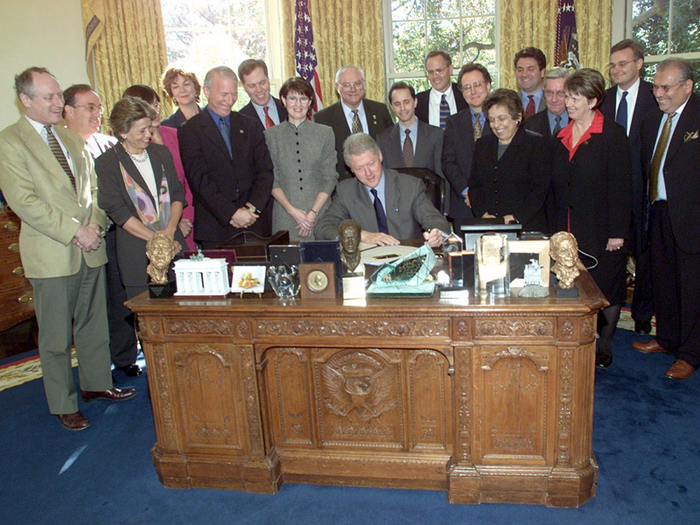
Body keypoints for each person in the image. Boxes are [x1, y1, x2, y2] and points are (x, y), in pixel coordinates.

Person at [0, 67, 135, 431]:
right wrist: (76, 231)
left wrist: (95, 226)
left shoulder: (69, 138)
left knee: (94, 325)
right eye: (49, 97)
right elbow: (24, 202)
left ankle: (96, 383)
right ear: (25, 100)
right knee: (56, 336)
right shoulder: (9, 141)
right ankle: (63, 403)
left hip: (90, 247)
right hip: (53, 252)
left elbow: (94, 190)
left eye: (59, 95)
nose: (58, 102)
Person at [548, 68, 632, 369]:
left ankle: (604, 344)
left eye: (575, 98)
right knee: (573, 287)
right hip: (567, 228)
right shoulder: (561, 136)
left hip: (602, 228)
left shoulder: (612, 135)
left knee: (605, 288)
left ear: (593, 101)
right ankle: (578, 341)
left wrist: (617, 232)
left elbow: (622, 187)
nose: (567, 103)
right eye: (567, 97)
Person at [63, 84, 141, 377]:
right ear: (68, 111)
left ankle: (124, 357)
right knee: (92, 306)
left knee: (119, 297)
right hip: (77, 237)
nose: (98, 113)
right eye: (90, 107)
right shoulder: (60, 146)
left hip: (114, 231)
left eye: (99, 107)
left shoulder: (109, 145)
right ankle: (96, 366)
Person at [632, 59, 700, 380]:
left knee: (691, 287)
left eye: (665, 87)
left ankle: (690, 353)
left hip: (691, 217)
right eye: (655, 86)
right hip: (658, 213)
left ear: (687, 86)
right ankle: (668, 338)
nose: (658, 93)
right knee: (663, 281)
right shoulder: (651, 120)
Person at [95, 96, 187, 299]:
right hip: (137, 252)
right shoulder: (107, 163)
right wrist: (160, 240)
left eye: (150, 128)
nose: (148, 135)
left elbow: (177, 194)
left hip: (175, 243)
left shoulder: (161, 153)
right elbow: (118, 212)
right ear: (123, 132)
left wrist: (170, 232)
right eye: (141, 131)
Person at [600, 39, 659, 335]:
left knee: (646, 256)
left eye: (623, 63)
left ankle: (642, 314)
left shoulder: (656, 96)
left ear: (639, 64)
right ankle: (605, 318)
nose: (616, 69)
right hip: (610, 194)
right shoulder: (603, 99)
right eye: (612, 65)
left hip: (645, 192)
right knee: (612, 258)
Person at [179, 66, 274, 248]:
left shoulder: (250, 125)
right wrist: (231, 213)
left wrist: (251, 209)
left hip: (254, 224)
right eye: (224, 94)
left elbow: (265, 171)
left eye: (234, 94)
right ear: (207, 92)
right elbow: (199, 180)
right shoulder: (190, 130)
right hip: (216, 228)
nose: (230, 101)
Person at [315, 133, 449, 247]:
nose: (368, 173)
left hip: (407, 257)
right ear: (351, 169)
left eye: (371, 164)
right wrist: (360, 235)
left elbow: (434, 219)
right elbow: (323, 228)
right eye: (360, 168)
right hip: (366, 262)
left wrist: (436, 233)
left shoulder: (410, 186)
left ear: (379, 156)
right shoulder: (346, 191)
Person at [263, 77, 338, 240]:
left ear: (310, 102)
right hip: (285, 217)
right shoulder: (270, 136)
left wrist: (312, 214)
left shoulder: (325, 133)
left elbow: (330, 178)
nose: (298, 104)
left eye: (303, 99)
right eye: (292, 98)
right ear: (284, 100)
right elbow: (272, 180)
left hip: (320, 216)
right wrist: (293, 212)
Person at [122, 84, 194, 250]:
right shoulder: (133, 145)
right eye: (148, 106)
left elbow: (187, 181)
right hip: (152, 229)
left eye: (156, 104)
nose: (155, 111)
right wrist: (173, 224)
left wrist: (185, 217)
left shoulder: (175, 134)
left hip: (187, 217)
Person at [468, 89, 549, 232]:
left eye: (502, 118)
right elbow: (474, 185)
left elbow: (539, 190)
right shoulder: (482, 145)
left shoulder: (536, 144)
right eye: (492, 120)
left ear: (518, 117)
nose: (496, 125)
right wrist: (483, 214)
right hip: (490, 227)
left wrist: (516, 217)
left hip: (526, 228)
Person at [314, 65, 393, 180]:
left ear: (364, 85)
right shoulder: (322, 118)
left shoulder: (380, 111)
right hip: (341, 185)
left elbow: (390, 149)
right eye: (347, 85)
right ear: (337, 87)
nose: (353, 89)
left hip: (379, 181)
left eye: (357, 84)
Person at [442, 63, 493, 228]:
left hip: (495, 204)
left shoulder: (501, 120)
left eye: (477, 85)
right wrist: (468, 192)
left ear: (488, 85)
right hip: (463, 206)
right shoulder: (453, 122)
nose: (473, 91)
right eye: (467, 87)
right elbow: (448, 163)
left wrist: (481, 197)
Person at [377, 82, 445, 188]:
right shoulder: (383, 139)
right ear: (391, 107)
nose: (402, 108)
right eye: (397, 104)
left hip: (427, 197)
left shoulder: (435, 135)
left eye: (406, 102)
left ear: (415, 102)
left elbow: (441, 179)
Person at [415, 51, 468, 128]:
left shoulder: (465, 95)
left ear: (450, 69)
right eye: (431, 72)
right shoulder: (418, 102)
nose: (435, 76)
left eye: (439, 71)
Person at [62, 84, 115, 157]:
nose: (98, 114)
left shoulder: (111, 145)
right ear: (70, 111)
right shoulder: (57, 146)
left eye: (99, 109)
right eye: (91, 108)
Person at [238, 59, 288, 130]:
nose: (259, 90)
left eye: (262, 82)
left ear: (268, 79)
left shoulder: (288, 108)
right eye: (252, 86)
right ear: (244, 86)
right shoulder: (240, 120)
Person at [523, 68, 571, 138]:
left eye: (560, 93)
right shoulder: (530, 125)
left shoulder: (580, 123)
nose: (554, 99)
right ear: (543, 92)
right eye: (549, 92)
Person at [514, 47, 547, 120]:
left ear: (542, 72)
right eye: (520, 70)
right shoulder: (509, 102)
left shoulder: (552, 100)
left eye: (530, 69)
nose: (524, 74)